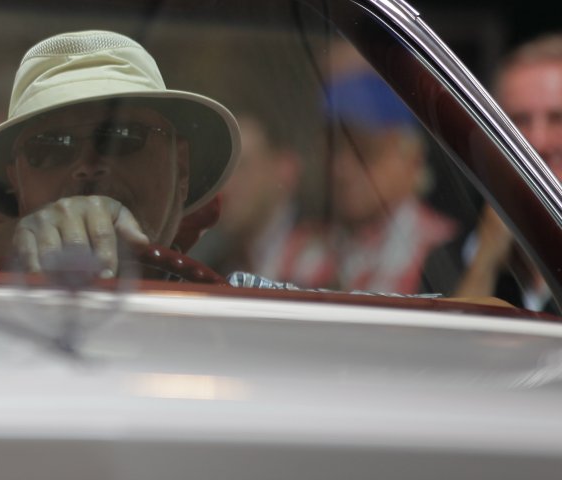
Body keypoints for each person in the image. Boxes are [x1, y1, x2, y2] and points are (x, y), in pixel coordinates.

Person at [0, 30, 242, 277]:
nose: (88, 166)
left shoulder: (252, 303)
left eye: (121, 137)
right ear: (17, 183)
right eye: (51, 147)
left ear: (180, 167)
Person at [266, 67, 455, 295]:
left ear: (412, 159)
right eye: (333, 148)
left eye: (364, 150)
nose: (341, 169)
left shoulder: (439, 252)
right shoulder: (298, 247)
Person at [425, 33, 562, 311]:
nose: (537, 141)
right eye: (517, 121)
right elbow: (448, 336)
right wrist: (485, 261)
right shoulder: (449, 259)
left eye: (557, 118)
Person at [189, 105, 303, 278]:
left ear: (284, 169)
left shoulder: (325, 261)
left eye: (242, 166)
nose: (225, 187)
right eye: (221, 173)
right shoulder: (214, 265)